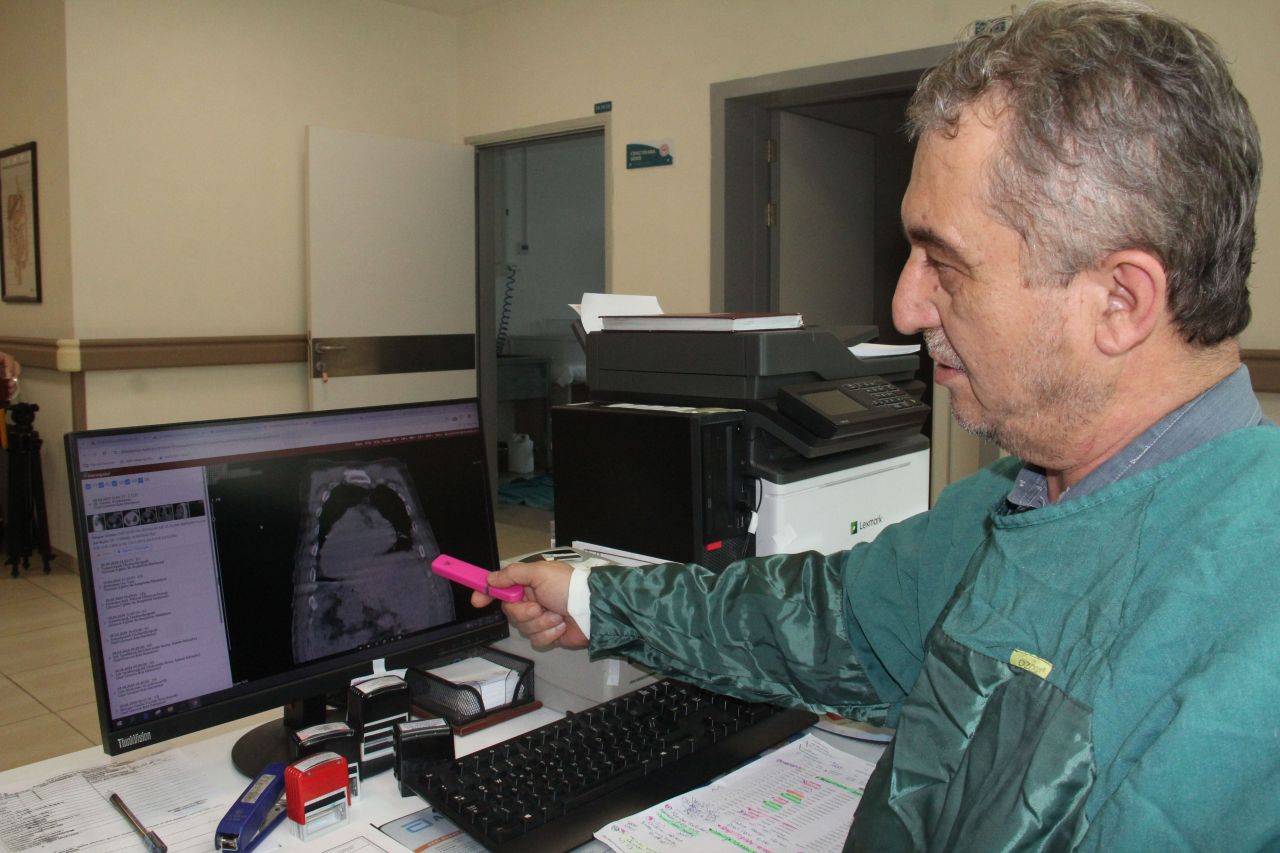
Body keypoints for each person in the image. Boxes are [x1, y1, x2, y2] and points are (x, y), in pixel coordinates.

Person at [475, 1, 1278, 849]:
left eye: (946, 263)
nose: (904, 305)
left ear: (1120, 300)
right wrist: (598, 597)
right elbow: (830, 618)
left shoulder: (1249, 635)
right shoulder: (1012, 504)